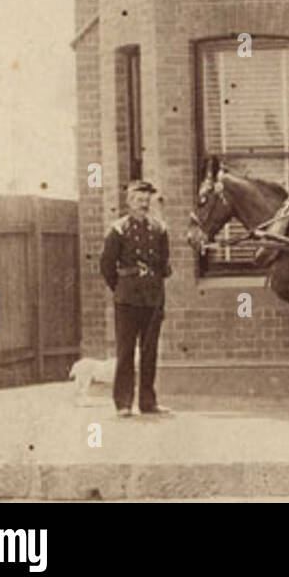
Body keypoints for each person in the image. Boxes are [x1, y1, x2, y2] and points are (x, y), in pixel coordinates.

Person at [100, 179, 172, 417]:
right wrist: (122, 288)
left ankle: (148, 402)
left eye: (146, 200)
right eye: (138, 200)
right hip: (127, 300)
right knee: (126, 351)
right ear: (129, 202)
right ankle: (123, 403)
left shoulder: (159, 229)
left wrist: (155, 290)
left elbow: (163, 264)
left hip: (153, 298)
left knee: (149, 352)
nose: (143, 204)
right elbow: (107, 267)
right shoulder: (118, 230)